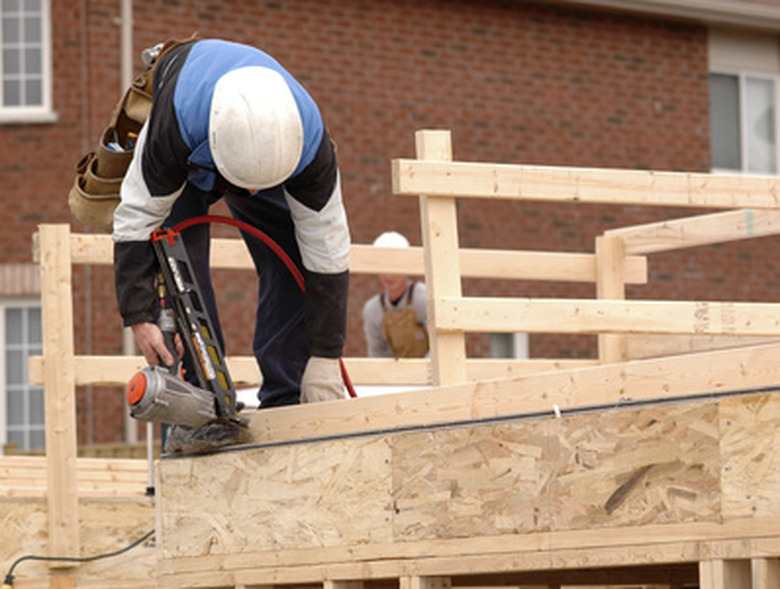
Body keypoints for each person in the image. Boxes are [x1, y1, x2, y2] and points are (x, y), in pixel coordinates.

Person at [112, 37, 350, 424]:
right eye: (247, 184)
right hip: (193, 149)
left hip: (271, 149)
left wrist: (325, 354)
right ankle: (201, 405)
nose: (253, 195)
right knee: (179, 269)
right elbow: (135, 220)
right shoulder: (172, 127)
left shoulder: (309, 146)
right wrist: (139, 316)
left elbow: (328, 251)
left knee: (291, 255)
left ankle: (287, 398)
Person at [362, 231, 428, 358]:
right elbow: (377, 353)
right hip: (396, 376)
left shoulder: (423, 298)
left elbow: (438, 349)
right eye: (384, 267)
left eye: (394, 266)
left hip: (429, 374)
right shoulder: (373, 309)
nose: (389, 275)